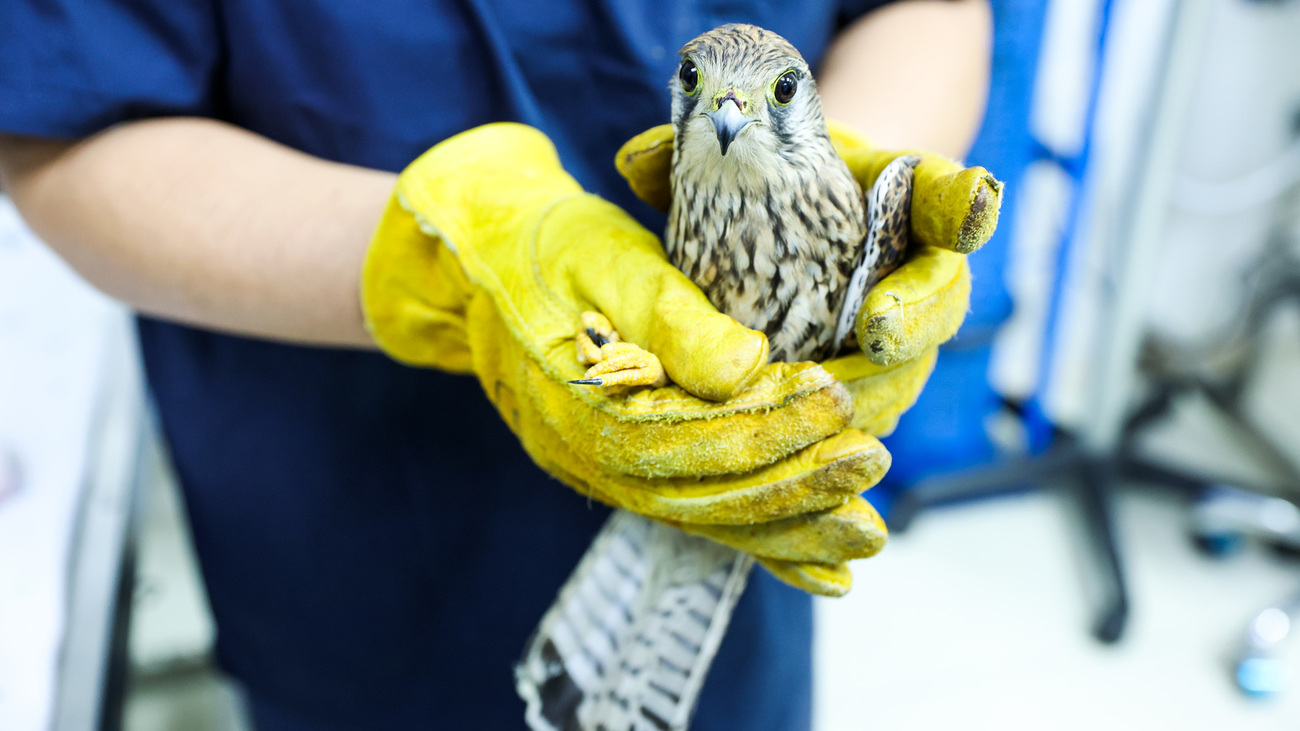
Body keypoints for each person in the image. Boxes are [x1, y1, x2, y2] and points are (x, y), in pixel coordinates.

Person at [0, 1, 992, 729]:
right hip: (363, 532)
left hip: (731, 544)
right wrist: (445, 263)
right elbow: (66, 117)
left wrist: (841, 201)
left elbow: (927, 8)